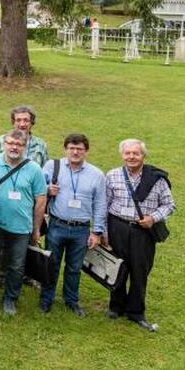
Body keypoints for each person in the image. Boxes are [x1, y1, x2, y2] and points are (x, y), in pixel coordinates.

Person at [105, 138, 174, 331]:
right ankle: (116, 307)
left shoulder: (157, 179)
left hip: (143, 232)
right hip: (117, 226)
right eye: (127, 153)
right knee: (117, 268)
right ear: (122, 155)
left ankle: (135, 311)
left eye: (136, 153)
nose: (131, 157)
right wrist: (101, 230)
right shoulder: (112, 175)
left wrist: (153, 218)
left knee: (140, 270)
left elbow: (169, 205)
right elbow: (104, 204)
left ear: (143, 155)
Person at [0, 129, 48, 315]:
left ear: (25, 147)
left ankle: (10, 298)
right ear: (4, 144)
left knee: (17, 265)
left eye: (19, 144)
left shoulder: (34, 169)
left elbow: (41, 200)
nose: (14, 147)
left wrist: (36, 228)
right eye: (10, 143)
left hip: (21, 227)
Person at [39, 134, 107, 316]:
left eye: (80, 149)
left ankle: (71, 300)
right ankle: (46, 299)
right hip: (56, 225)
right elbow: (37, 190)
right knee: (51, 264)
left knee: (74, 268)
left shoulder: (97, 175)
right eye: (72, 148)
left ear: (86, 151)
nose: (75, 152)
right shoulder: (52, 166)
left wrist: (97, 232)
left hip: (81, 229)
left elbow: (100, 204)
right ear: (65, 149)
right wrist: (47, 190)